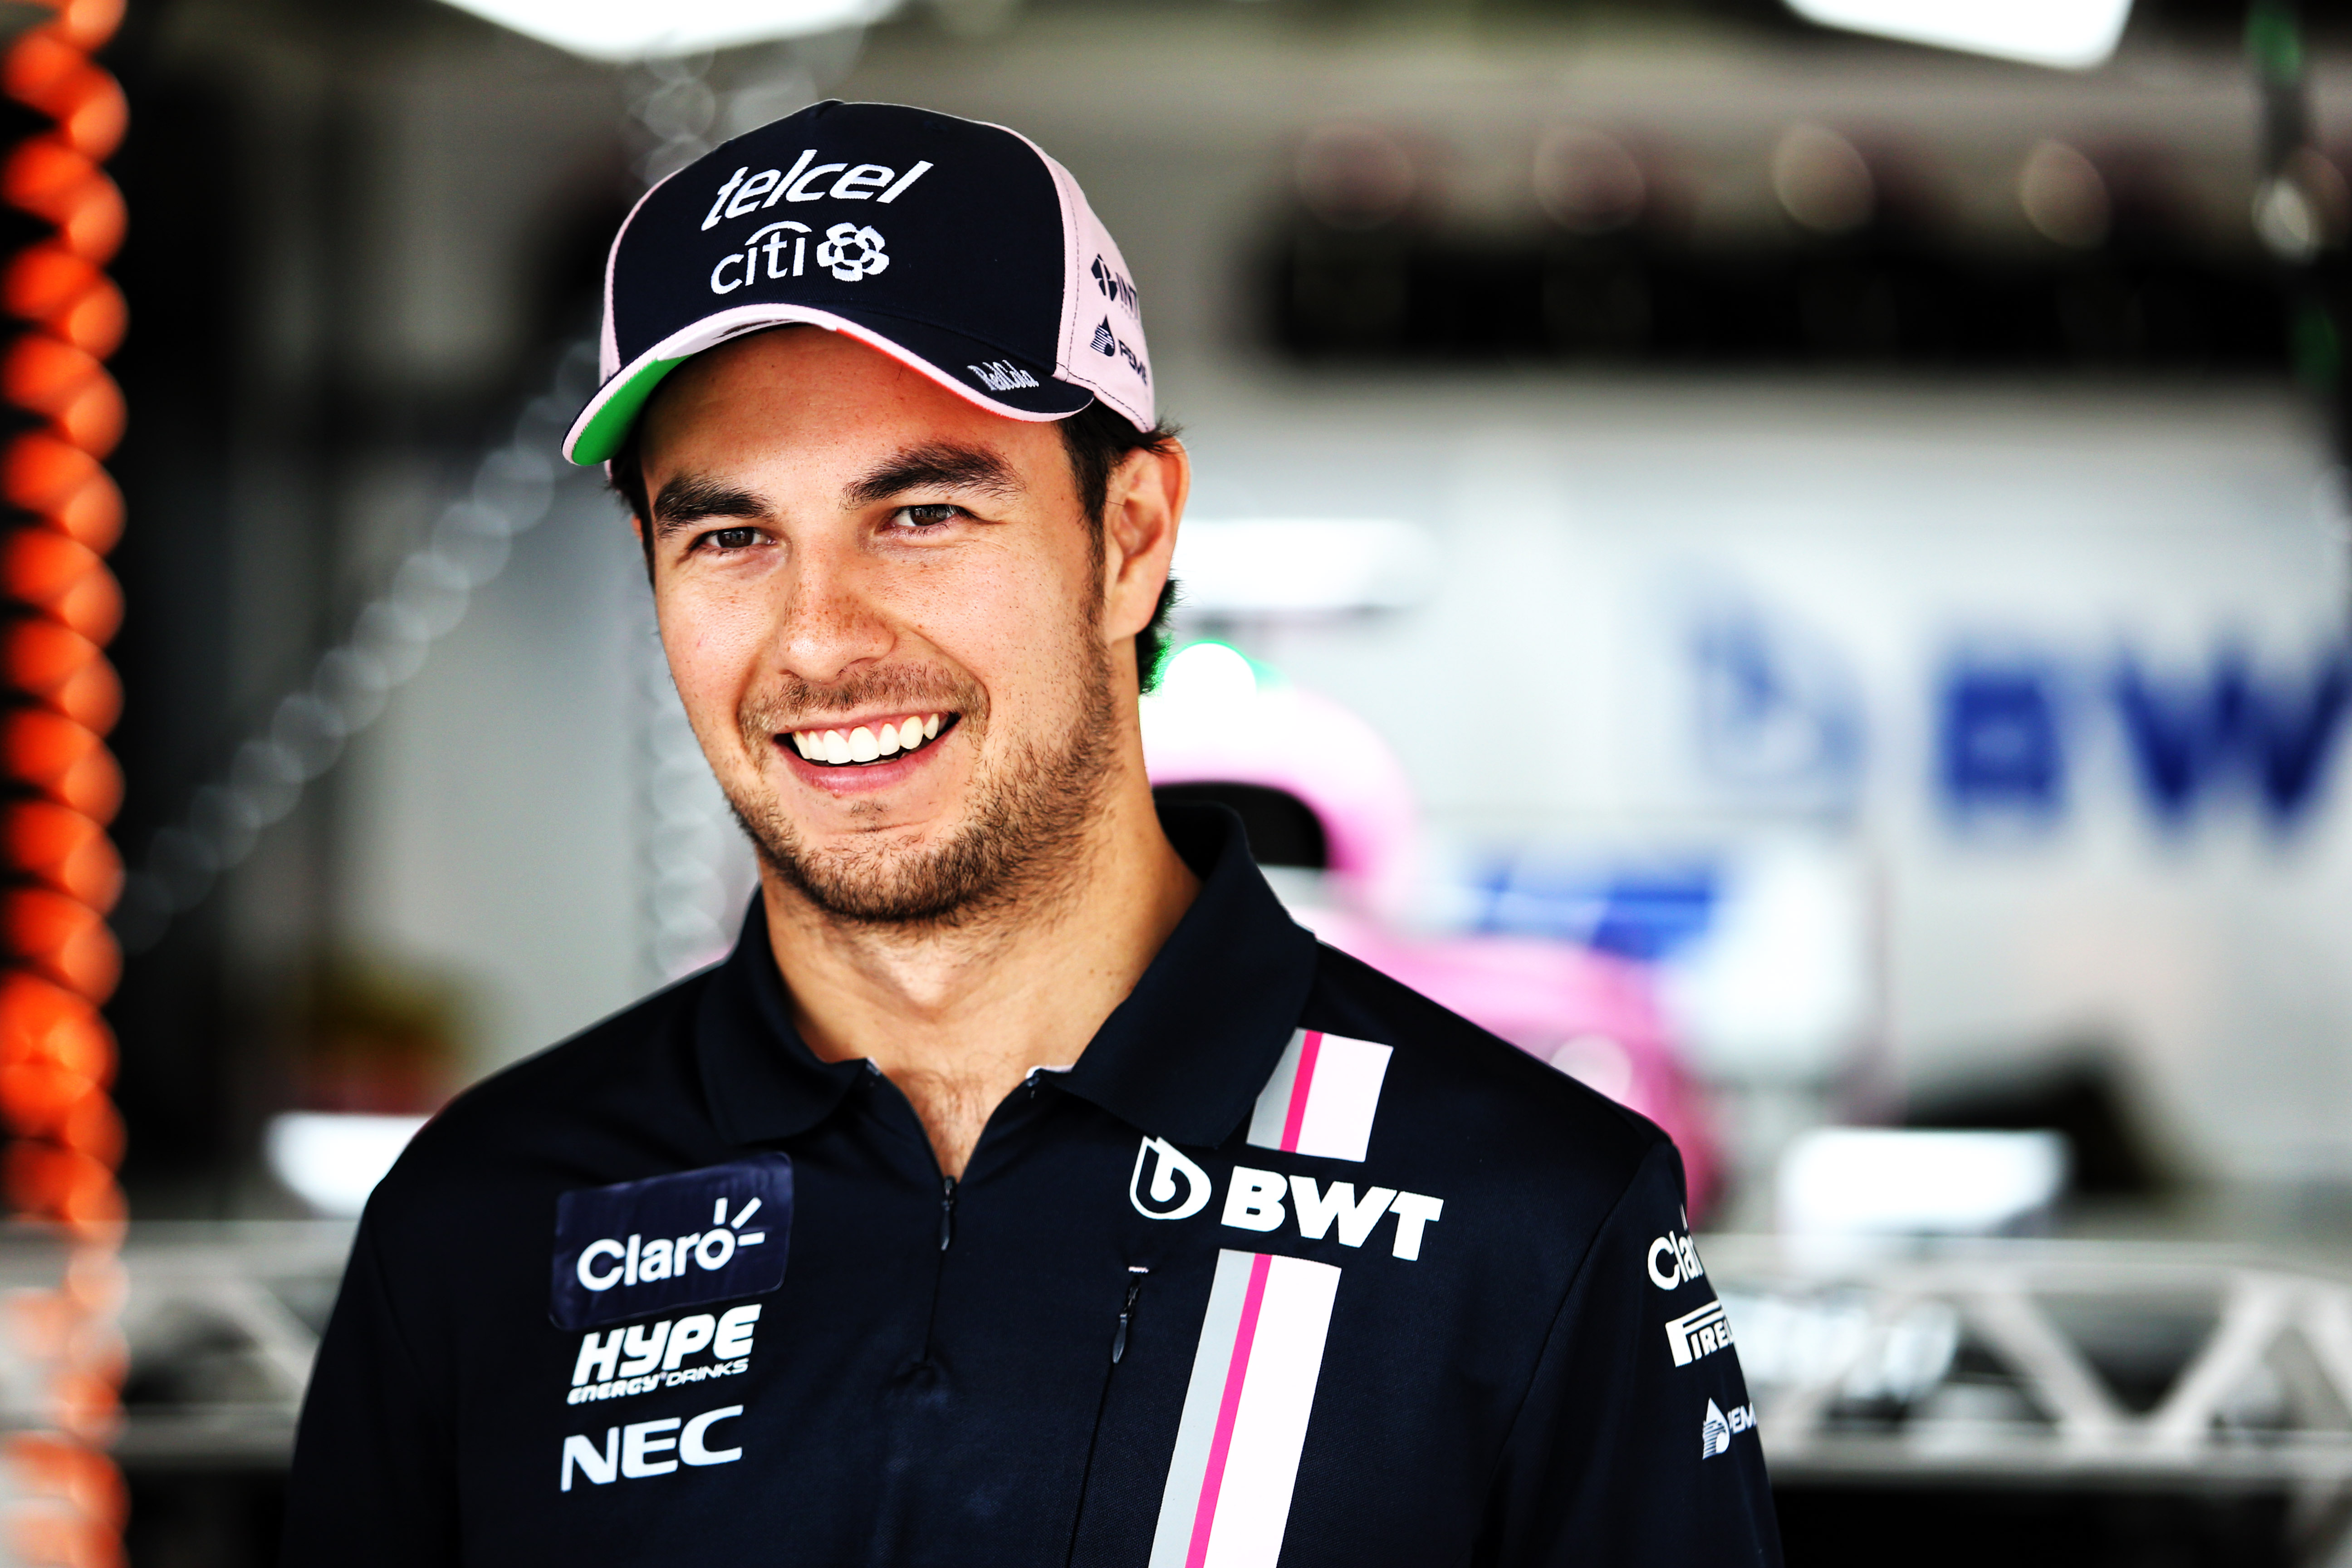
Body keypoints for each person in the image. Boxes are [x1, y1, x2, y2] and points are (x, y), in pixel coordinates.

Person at [282, 99, 1781, 1568]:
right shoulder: (477, 1224)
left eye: (922, 514)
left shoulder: (1535, 1222)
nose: (819, 640)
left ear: (1132, 537)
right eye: (732, 536)